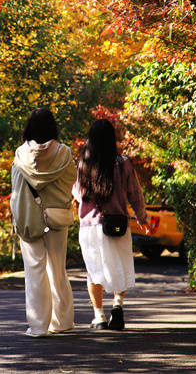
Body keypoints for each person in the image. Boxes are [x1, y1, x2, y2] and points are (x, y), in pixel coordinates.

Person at [72, 118, 150, 331]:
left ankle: (99, 317)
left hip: (90, 227)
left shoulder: (83, 164)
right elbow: (135, 193)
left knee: (93, 271)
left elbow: (78, 194)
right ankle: (117, 305)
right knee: (120, 265)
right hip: (116, 225)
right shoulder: (123, 162)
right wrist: (143, 218)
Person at [10, 108, 77, 337]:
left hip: (30, 220)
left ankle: (38, 327)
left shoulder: (21, 155)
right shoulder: (64, 153)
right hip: (56, 217)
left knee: (35, 270)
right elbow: (72, 179)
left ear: (28, 128)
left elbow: (16, 191)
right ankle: (63, 321)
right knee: (58, 269)